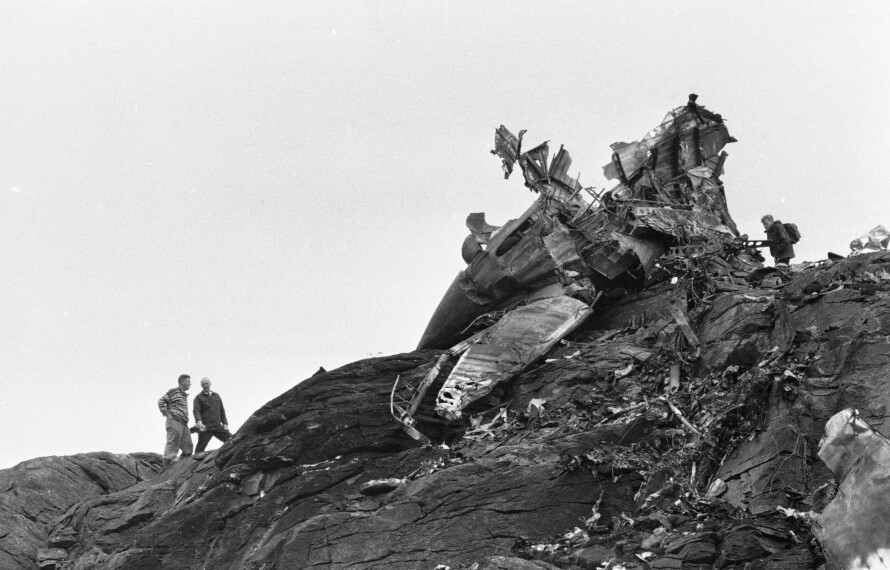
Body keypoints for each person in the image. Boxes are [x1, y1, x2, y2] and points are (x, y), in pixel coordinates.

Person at [158, 374, 193, 467]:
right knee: (172, 445)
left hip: (184, 423)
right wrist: (166, 414)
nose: (190, 384)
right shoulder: (173, 391)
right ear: (183, 382)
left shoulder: (184, 395)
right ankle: (165, 469)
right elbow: (161, 401)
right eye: (188, 382)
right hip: (174, 420)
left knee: (188, 447)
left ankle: (180, 468)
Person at [193, 377, 232, 453]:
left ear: (210, 384)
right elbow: (196, 411)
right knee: (199, 450)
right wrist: (199, 422)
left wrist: (225, 423)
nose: (205, 385)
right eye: (203, 384)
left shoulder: (216, 396)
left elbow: (222, 410)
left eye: (206, 384)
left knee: (231, 440)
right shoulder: (198, 398)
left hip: (218, 426)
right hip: (206, 427)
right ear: (201, 386)